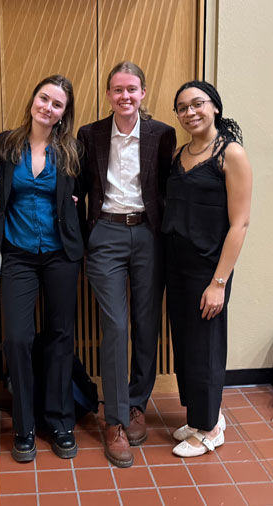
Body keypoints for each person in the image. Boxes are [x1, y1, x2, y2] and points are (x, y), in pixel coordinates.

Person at [77, 61, 176, 468]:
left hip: (149, 235)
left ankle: (137, 404)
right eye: (118, 90)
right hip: (106, 234)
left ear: (143, 93)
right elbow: (79, 186)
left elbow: (172, 187)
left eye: (132, 89)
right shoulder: (91, 134)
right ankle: (115, 420)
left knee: (146, 322)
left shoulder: (162, 135)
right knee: (115, 326)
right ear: (108, 94)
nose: (125, 96)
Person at [0, 75, 83, 462]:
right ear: (33, 100)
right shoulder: (6, 144)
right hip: (17, 253)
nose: (48, 107)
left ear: (64, 113)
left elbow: (86, 191)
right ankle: (24, 424)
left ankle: (60, 420)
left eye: (57, 103)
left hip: (61, 253)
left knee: (60, 335)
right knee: (17, 337)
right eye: (44, 98)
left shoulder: (71, 151)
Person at [164, 80, 252, 458]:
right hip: (176, 265)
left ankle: (210, 428)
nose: (190, 112)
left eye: (197, 104)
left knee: (206, 348)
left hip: (208, 270)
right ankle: (202, 413)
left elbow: (240, 223)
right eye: (182, 108)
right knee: (185, 345)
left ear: (214, 106)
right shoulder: (180, 154)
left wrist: (219, 282)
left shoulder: (230, 154)